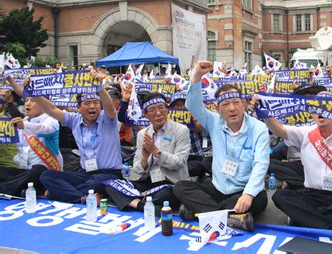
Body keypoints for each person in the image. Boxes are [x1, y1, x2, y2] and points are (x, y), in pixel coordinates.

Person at [173, 60, 269, 231]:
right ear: (218, 109)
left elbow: (261, 164)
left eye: (236, 102)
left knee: (259, 199)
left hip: (243, 189)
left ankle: (200, 211)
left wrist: (248, 194)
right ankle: (231, 218)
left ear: (244, 104)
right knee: (181, 187)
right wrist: (196, 76)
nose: (232, 109)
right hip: (218, 188)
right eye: (225, 104)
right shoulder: (214, 121)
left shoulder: (258, 128)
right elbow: (193, 105)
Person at [264, 87, 332, 229]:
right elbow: (279, 129)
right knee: (280, 196)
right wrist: (265, 112)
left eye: (326, 106)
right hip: (312, 195)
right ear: (312, 114)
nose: (321, 111)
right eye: (317, 107)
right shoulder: (305, 133)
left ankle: (307, 219)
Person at [33, 69, 123, 203]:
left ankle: (61, 193)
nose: (92, 106)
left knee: (96, 182)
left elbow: (109, 107)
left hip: (108, 173)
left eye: (96, 102)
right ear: (78, 107)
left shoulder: (107, 119)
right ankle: (82, 197)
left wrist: (99, 87)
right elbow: (52, 109)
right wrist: (33, 93)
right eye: (87, 103)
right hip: (84, 173)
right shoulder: (74, 119)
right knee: (47, 176)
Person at [104, 92, 190, 213]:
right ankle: (143, 206)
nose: (158, 113)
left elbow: (179, 162)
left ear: (167, 109)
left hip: (170, 182)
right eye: (152, 110)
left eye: (161, 108)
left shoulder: (181, 130)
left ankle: (135, 202)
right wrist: (144, 159)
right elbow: (137, 169)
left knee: (165, 193)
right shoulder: (142, 134)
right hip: (148, 182)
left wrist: (156, 152)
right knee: (112, 185)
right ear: (145, 114)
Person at [0, 76, 62, 196]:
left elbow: (43, 129)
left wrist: (24, 126)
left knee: (38, 170)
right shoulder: (23, 121)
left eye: (32, 100)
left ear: (45, 104)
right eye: (26, 100)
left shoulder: (52, 120)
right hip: (24, 171)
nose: (27, 103)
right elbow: (18, 146)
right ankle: (19, 190)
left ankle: (7, 189)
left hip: (46, 173)